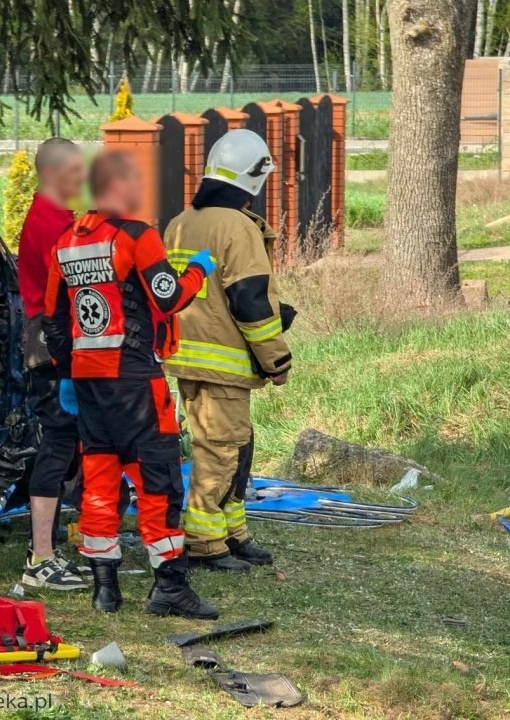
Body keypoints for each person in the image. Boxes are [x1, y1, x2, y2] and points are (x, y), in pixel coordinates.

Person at [43, 149, 218, 617]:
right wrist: (200, 269)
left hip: (87, 384)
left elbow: (53, 319)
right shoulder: (137, 237)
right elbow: (170, 297)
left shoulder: (66, 244)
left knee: (99, 481)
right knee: (158, 480)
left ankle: (105, 589)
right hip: (136, 381)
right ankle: (170, 586)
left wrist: (66, 374)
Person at [161, 129, 291, 573]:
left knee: (235, 447)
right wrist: (277, 358)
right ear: (252, 177)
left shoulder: (180, 222)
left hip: (187, 357)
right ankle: (204, 542)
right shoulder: (236, 225)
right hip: (225, 361)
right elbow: (249, 299)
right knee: (219, 452)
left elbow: (197, 292)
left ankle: (232, 533)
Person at [16, 138, 89, 591]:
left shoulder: (59, 218)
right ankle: (40, 558)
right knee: (59, 443)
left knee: (69, 444)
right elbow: (72, 287)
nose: (83, 178)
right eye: (76, 170)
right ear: (55, 174)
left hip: (59, 344)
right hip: (52, 347)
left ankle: (62, 545)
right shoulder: (50, 223)